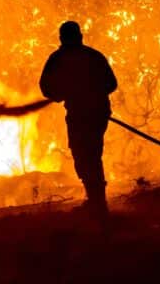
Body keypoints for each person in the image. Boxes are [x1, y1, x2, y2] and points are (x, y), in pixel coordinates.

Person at [39, 20, 117, 216]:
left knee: (86, 155)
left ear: (62, 39)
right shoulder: (93, 56)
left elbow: (46, 88)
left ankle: (97, 203)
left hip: (85, 114)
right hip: (94, 113)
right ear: (79, 36)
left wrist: (70, 93)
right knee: (89, 155)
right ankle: (96, 200)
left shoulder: (58, 59)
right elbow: (111, 84)